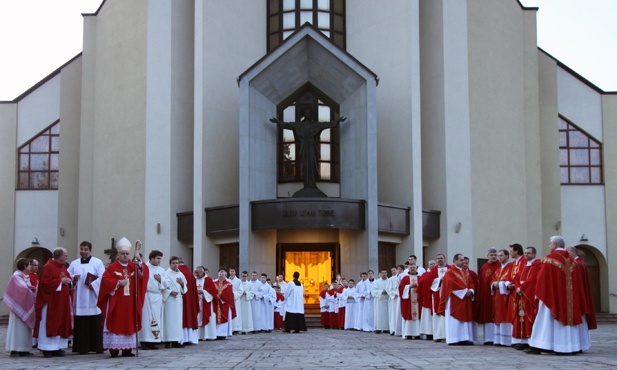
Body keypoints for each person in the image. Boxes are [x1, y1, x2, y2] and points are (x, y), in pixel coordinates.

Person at [526, 236, 590, 355]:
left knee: (546, 320)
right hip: (570, 299)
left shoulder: (550, 259)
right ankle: (568, 347)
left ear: (555, 245)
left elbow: (542, 279)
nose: (549, 246)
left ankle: (542, 345)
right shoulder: (572, 261)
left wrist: (537, 292)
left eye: (550, 244)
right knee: (567, 319)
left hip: (551, 296)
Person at [270, 109, 346, 196]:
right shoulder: (299, 125)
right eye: (306, 113)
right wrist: (277, 121)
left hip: (313, 147)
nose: (308, 114)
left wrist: (337, 121)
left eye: (309, 113)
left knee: (313, 164)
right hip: (304, 148)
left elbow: (327, 124)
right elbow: (287, 125)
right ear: (304, 115)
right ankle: (307, 184)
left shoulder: (316, 125)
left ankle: (312, 184)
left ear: (311, 115)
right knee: (305, 165)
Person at [97, 238, 148, 358]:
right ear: (118, 255)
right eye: (122, 254)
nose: (125, 256)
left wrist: (139, 260)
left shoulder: (133, 266)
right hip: (116, 300)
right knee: (115, 320)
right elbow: (105, 281)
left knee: (129, 322)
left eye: (127, 254)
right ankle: (114, 349)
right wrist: (118, 283)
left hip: (130, 301)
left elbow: (143, 275)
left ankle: (127, 349)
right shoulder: (111, 267)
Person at [67, 241, 105, 354]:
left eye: (86, 249)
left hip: (93, 296)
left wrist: (93, 283)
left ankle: (96, 347)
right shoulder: (74, 263)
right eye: (82, 249)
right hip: (80, 298)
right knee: (81, 324)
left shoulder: (97, 262)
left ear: (90, 250)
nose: (83, 251)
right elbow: (68, 276)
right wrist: (74, 278)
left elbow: (103, 277)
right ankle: (81, 348)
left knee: (95, 323)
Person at [34, 247, 73, 358]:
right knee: (50, 322)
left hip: (62, 301)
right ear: (59, 256)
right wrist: (61, 281)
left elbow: (67, 279)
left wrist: (70, 281)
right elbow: (45, 283)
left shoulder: (63, 267)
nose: (67, 257)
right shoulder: (48, 267)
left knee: (61, 322)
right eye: (65, 255)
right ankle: (47, 348)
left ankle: (57, 347)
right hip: (51, 302)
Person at [438, 253, 475, 345]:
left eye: (463, 260)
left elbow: (471, 282)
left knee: (465, 318)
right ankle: (453, 339)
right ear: (455, 261)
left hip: (465, 298)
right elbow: (451, 284)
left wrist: (470, 290)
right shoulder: (450, 272)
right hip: (455, 298)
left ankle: (465, 338)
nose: (463, 262)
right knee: (454, 320)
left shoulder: (465, 272)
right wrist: (464, 291)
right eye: (461, 260)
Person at [510, 246, 541, 350]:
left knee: (529, 317)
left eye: (529, 253)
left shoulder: (537, 264)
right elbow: (518, 277)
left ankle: (529, 340)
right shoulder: (523, 265)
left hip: (528, 295)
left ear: (534, 254)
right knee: (520, 317)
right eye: (525, 253)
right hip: (521, 293)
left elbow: (533, 278)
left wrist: (522, 288)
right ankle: (522, 340)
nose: (526, 255)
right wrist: (518, 287)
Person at [4, 258, 36, 357]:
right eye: (29, 265)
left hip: (25, 305)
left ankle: (24, 349)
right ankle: (15, 349)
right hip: (17, 307)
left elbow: (27, 287)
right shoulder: (16, 277)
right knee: (17, 329)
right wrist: (30, 289)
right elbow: (21, 290)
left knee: (25, 329)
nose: (30, 266)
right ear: (24, 266)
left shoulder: (25, 276)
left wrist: (32, 289)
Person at [139, 250, 167, 350]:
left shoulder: (162, 270)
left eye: (160, 258)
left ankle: (153, 341)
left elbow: (166, 283)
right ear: (151, 258)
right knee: (146, 320)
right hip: (147, 295)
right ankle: (144, 341)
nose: (159, 261)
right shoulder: (144, 268)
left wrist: (160, 280)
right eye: (158, 258)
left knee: (156, 320)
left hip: (157, 296)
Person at [474, 248, 499, 345]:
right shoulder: (484, 267)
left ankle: (496, 338)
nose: (493, 256)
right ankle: (488, 338)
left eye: (494, 255)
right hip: (486, 295)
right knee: (487, 314)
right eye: (491, 255)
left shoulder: (500, 266)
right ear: (487, 256)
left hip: (496, 295)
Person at [162, 256, 188, 348]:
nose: (176, 265)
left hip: (178, 300)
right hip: (169, 300)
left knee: (177, 321)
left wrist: (181, 283)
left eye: (177, 263)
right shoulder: (166, 273)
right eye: (174, 263)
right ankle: (168, 340)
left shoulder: (181, 274)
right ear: (170, 264)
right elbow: (163, 286)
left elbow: (185, 289)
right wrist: (170, 292)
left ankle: (176, 340)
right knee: (169, 321)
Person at [491, 249, 512, 346]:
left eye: (501, 255)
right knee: (498, 315)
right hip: (497, 296)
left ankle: (506, 340)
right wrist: (493, 284)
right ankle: (498, 340)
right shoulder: (498, 270)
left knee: (505, 315)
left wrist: (500, 283)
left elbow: (511, 279)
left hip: (506, 296)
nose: (499, 257)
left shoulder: (511, 267)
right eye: (498, 256)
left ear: (507, 256)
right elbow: (493, 280)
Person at [178, 258, 199, 345]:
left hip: (180, 298)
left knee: (182, 316)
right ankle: (190, 337)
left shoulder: (178, 272)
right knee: (189, 315)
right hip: (190, 300)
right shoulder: (190, 273)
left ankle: (182, 338)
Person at [428, 253, 449, 342]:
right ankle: (438, 335)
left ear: (445, 259)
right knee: (437, 314)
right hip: (437, 294)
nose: (439, 260)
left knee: (447, 313)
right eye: (438, 258)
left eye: (441, 258)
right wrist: (440, 280)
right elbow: (429, 281)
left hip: (448, 294)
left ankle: (448, 335)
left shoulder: (450, 268)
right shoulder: (433, 270)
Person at [399, 263, 421, 339]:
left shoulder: (420, 277)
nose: (412, 268)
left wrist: (418, 286)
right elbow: (401, 288)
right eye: (411, 267)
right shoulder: (405, 278)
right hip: (408, 300)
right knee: (409, 314)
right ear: (408, 268)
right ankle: (408, 333)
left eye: (414, 267)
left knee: (418, 315)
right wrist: (409, 286)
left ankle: (417, 333)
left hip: (418, 300)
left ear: (416, 268)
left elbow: (423, 287)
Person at [212, 269, 236, 339]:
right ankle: (215, 334)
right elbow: (212, 291)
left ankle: (222, 334)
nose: (221, 276)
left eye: (222, 275)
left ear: (225, 276)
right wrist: (215, 296)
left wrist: (221, 297)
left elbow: (229, 295)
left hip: (224, 304)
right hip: (215, 303)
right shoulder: (214, 283)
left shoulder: (229, 284)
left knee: (224, 319)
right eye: (220, 274)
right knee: (215, 318)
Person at [194, 266, 217, 340]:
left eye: (197, 272)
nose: (196, 274)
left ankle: (208, 335)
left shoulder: (208, 280)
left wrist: (203, 292)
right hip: (197, 301)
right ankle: (198, 336)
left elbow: (213, 291)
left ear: (202, 272)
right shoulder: (194, 279)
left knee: (207, 317)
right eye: (195, 272)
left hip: (206, 302)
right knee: (197, 317)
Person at [386, 266, 403, 336]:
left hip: (400, 297)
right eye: (392, 271)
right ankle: (393, 329)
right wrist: (394, 294)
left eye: (395, 270)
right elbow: (388, 289)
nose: (394, 271)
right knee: (393, 315)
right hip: (394, 299)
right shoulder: (390, 279)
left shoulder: (402, 277)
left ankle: (400, 329)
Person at [371, 269, 390, 334]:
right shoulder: (376, 282)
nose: (384, 274)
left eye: (385, 272)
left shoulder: (389, 281)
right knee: (379, 314)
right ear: (380, 274)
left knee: (388, 314)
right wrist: (381, 291)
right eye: (382, 273)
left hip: (388, 300)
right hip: (380, 300)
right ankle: (378, 328)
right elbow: (373, 291)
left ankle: (387, 328)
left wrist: (387, 291)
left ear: (387, 273)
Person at [228, 268, 244, 334]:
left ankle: (236, 328)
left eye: (233, 271)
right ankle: (229, 328)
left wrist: (233, 295)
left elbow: (241, 290)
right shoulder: (227, 280)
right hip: (228, 300)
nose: (232, 272)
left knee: (236, 313)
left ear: (235, 272)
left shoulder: (238, 281)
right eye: (231, 271)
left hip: (235, 299)